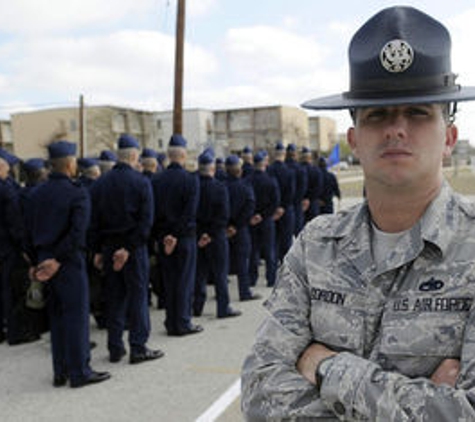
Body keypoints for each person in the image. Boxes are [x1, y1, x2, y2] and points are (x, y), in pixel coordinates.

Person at [242, 6, 475, 420]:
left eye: (418, 112)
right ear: (355, 139)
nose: (395, 128)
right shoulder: (316, 246)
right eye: (377, 114)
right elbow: (260, 395)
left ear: (449, 137)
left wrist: (327, 366)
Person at [25, 141, 110, 388]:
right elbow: (77, 234)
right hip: (68, 263)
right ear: (71, 164)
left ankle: (60, 371)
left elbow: (27, 232)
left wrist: (37, 261)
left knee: (57, 318)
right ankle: (80, 371)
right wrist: (58, 260)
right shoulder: (77, 192)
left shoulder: (35, 194)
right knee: (76, 318)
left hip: (44, 264)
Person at [89, 134, 164, 364]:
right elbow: (145, 222)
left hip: (110, 247)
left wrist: (99, 251)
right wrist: (128, 249)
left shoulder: (100, 183)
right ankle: (138, 347)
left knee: (114, 298)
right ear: (133, 156)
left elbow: (93, 222)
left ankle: (115, 347)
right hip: (133, 248)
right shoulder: (141, 182)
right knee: (138, 296)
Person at [151, 134, 203, 336]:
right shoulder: (190, 180)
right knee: (184, 281)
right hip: (183, 238)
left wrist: (164, 236)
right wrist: (175, 235)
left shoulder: (157, 180)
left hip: (164, 238)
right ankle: (182, 322)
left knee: (170, 280)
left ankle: (170, 320)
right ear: (183, 155)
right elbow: (189, 212)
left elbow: (153, 211)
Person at [193, 150, 241, 319]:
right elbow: (223, 215)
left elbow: (191, 213)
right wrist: (211, 234)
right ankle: (223, 307)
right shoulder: (220, 187)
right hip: (217, 236)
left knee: (200, 273)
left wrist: (202, 234)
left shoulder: (194, 186)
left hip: (198, 237)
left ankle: (197, 307)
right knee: (220, 273)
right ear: (212, 168)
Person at [248, 151, 280, 288]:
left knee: (253, 250)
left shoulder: (247, 180)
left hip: (252, 220)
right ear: (264, 164)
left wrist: (253, 215)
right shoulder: (271, 181)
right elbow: (275, 201)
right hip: (267, 220)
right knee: (269, 250)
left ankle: (252, 278)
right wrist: (263, 215)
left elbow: (246, 200)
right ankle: (271, 279)